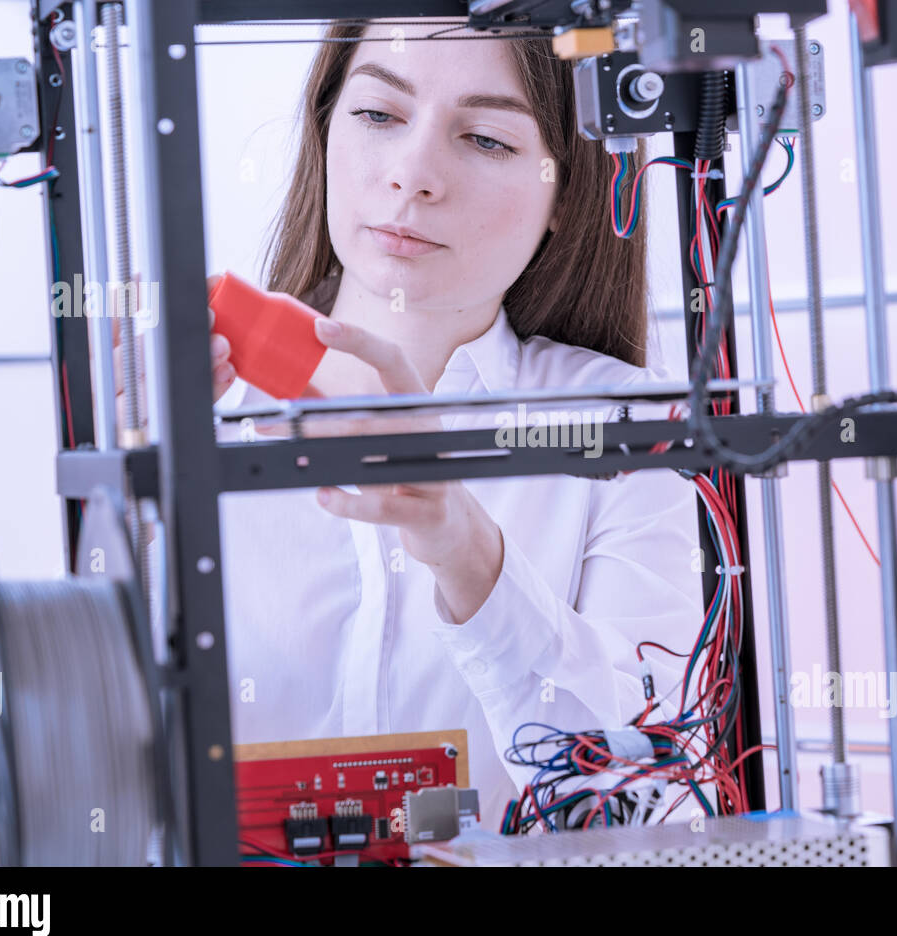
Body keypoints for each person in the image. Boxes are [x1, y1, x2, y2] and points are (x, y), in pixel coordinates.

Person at [124, 18, 708, 832]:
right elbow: (90, 769)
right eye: (378, 116)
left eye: (484, 138)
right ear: (324, 131)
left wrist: (467, 553)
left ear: (565, 196)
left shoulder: (624, 431)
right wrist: (128, 506)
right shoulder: (200, 416)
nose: (412, 175)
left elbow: (644, 808)